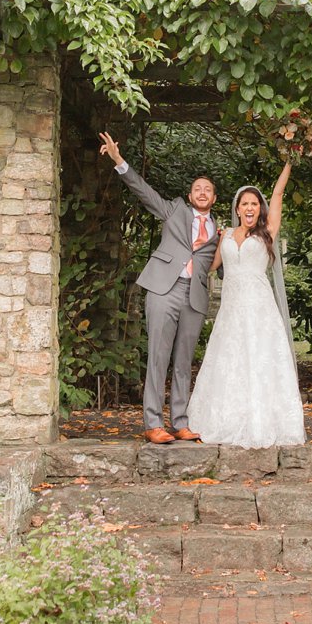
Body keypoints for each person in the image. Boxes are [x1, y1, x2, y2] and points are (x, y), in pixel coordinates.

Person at [99, 132, 221, 444]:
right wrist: (118, 159)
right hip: (164, 289)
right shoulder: (174, 210)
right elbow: (144, 191)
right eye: (197, 188)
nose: (202, 192)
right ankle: (153, 423)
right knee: (157, 356)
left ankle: (179, 422)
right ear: (190, 195)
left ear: (215, 198)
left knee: (183, 361)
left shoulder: (220, 231)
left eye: (208, 189)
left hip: (194, 297)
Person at [186, 163, 307, 448]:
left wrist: (290, 160)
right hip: (231, 311)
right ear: (237, 209)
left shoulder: (267, 233)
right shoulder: (225, 235)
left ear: (259, 209)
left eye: (255, 204)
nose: (250, 208)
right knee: (229, 362)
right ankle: (224, 420)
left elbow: (277, 193)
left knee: (261, 360)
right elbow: (209, 265)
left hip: (260, 310)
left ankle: (264, 421)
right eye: (245, 204)